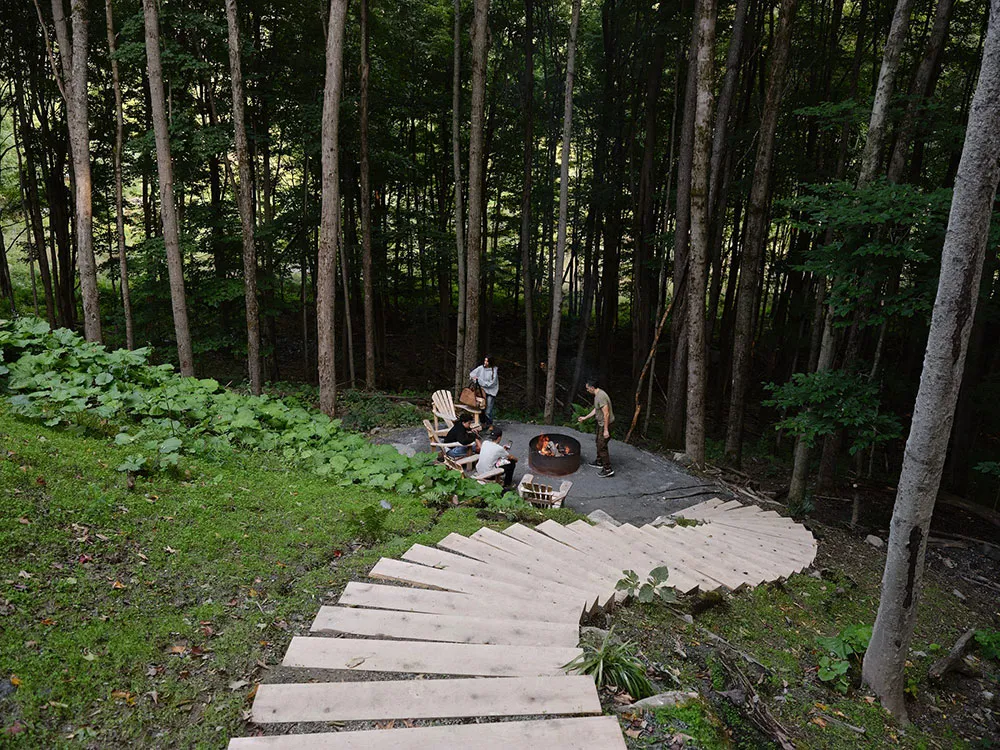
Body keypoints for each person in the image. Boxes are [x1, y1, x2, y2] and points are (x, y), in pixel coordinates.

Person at [578, 378, 615, 477]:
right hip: (601, 423)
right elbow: (596, 409)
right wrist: (585, 418)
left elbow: (606, 414)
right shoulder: (597, 395)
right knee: (598, 442)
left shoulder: (601, 396)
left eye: (587, 388)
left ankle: (608, 469)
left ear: (592, 387)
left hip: (605, 424)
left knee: (602, 445)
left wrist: (606, 430)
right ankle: (599, 462)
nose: (587, 390)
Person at [469, 355, 499, 425]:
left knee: (488, 411)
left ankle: (490, 425)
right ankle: (483, 423)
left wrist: (480, 381)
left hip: (491, 392)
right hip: (481, 391)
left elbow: (491, 383)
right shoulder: (481, 368)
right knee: (481, 408)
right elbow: (472, 374)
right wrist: (475, 379)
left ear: (490, 362)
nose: (485, 362)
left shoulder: (494, 370)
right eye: (485, 360)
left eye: (487, 361)